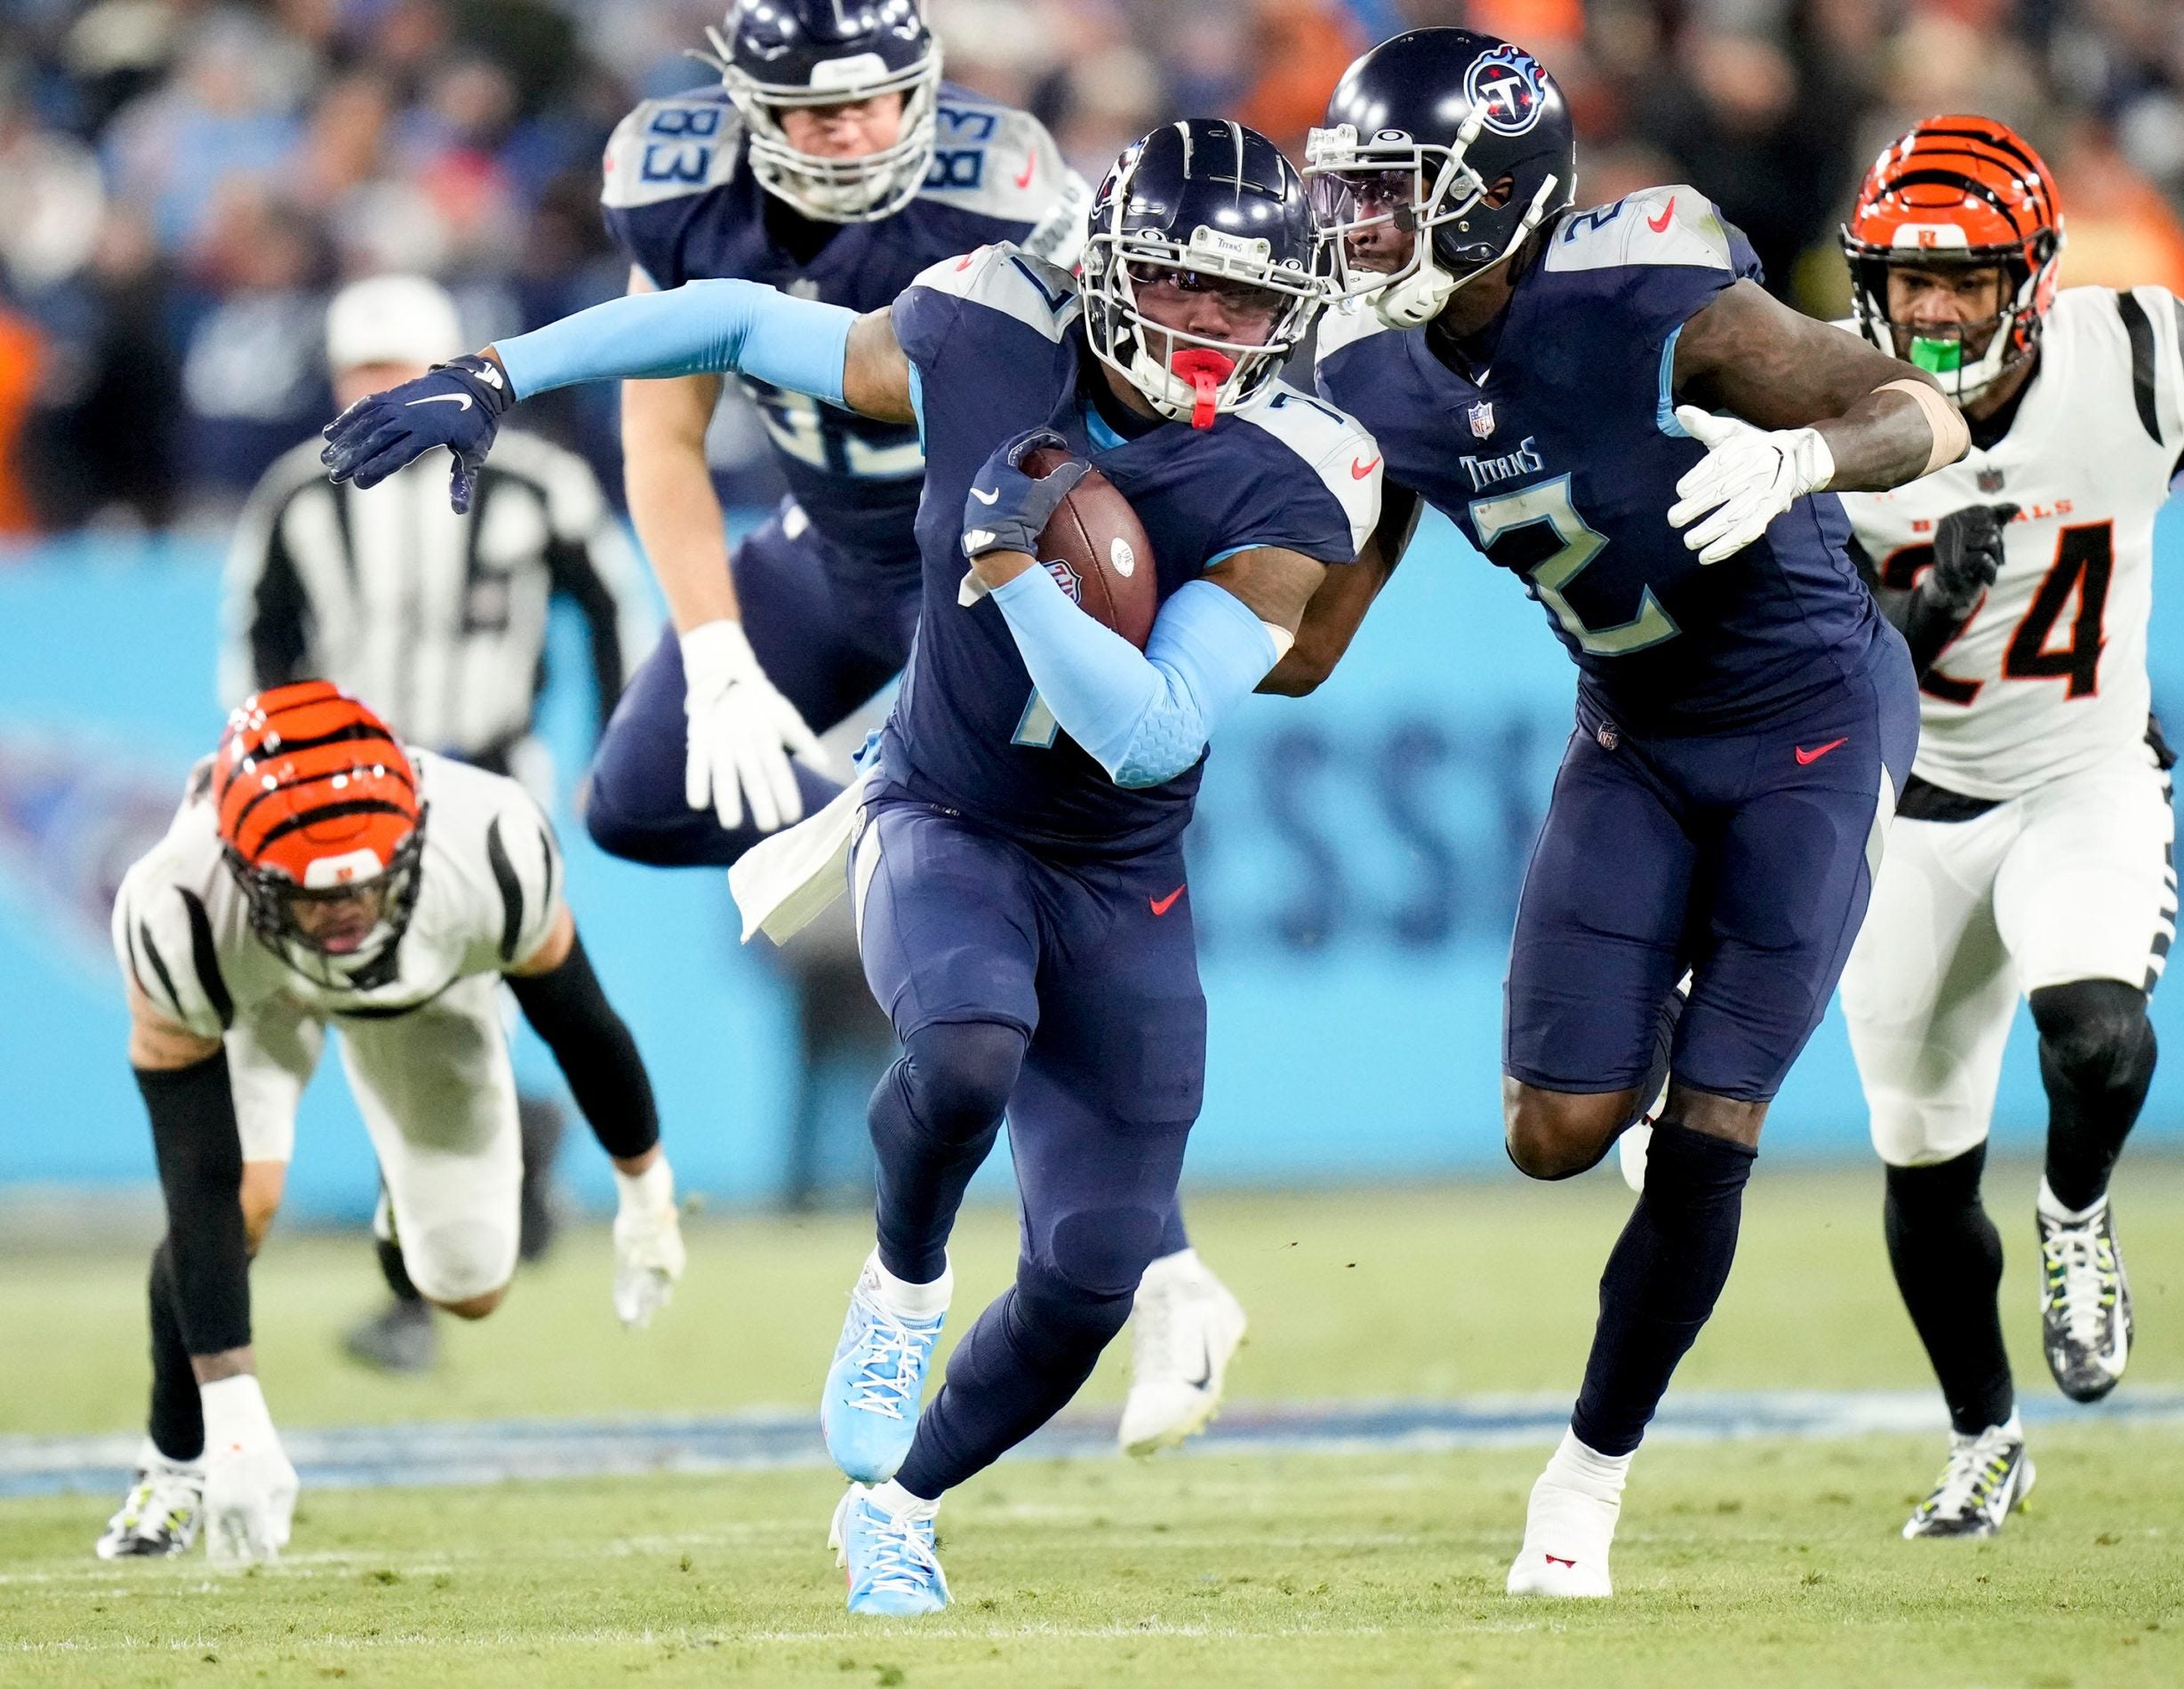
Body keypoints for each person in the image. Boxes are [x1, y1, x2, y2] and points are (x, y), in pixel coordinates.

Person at [320, 116, 1382, 1615]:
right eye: (1180, 283)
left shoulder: (1304, 467)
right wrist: (501, 372)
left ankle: (899, 1505)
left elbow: (1150, 736)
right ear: (1108, 266)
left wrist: (1016, 578)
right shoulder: (987, 324)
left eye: (1247, 296)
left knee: (1089, 1278)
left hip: (1119, 871)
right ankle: (902, 1280)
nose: (1211, 323)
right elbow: (738, 322)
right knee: (966, 1047)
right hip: (944, 812)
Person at [1296, 30, 1967, 1597]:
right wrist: (1092, 636)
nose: (1358, 227)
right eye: (1351, 194)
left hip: (1810, 721)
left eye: (1391, 194)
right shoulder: (1368, 366)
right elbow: (1309, 645)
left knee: (1712, 1128)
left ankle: (1583, 1487)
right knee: (1551, 1134)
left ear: (1492, 197)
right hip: (1636, 735)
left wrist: (1804, 457)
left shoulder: (1650, 294)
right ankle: (1660, 1038)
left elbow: (1924, 411)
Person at [588, 0, 1241, 1453]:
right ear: (748, 110)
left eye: (881, 101)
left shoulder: (1002, 185)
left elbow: (1122, 392)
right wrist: (716, 651)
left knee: (1017, 921)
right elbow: (662, 437)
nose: (855, 134)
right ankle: (886, 822)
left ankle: (1164, 1261)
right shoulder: (679, 185)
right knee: (635, 796)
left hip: (996, 559)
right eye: (816, 112)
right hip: (828, 551)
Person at [1834, 117, 2184, 1538]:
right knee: (1924, 1161)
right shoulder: (1818, 406)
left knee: (2096, 1032)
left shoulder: (2131, 354)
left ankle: (2075, 1211)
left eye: (1964, 278)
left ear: (2029, 280)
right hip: (1908, 810)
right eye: (1909, 278)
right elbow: (1810, 653)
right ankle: (1985, 1438)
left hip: (2085, 773)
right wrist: (1922, 611)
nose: (1933, 307)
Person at [96, 683, 684, 1561]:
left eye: (369, 881)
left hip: (425, 997)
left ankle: (402, 1218)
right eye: (311, 892)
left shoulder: (489, 842)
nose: (346, 909)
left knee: (469, 1282)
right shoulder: (177, 906)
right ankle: (170, 1468)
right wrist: (234, 1417)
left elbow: (582, 1025)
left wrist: (647, 1195)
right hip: (258, 997)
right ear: (245, 870)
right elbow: (200, 1181)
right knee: (244, 1202)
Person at [220, 272, 655, 1373]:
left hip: (490, 774)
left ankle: (429, 1268)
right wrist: (273, 770)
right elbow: (257, 641)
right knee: (405, 1012)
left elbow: (614, 605)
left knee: (436, 1008)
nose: (377, 388)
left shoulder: (536, 479)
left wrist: (623, 742)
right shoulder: (298, 493)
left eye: (396, 366)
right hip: (350, 793)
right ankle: (490, 1185)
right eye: (360, 370)